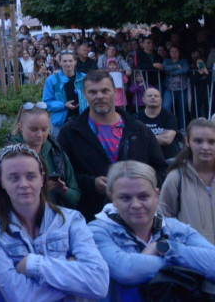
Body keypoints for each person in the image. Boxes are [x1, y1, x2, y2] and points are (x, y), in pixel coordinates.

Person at [0, 144, 109, 302]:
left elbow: (99, 283)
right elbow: (20, 296)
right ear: (1, 181)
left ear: (42, 178)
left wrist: (33, 264)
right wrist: (73, 275)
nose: (24, 184)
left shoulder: (71, 220)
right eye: (14, 177)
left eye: (31, 176)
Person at [89, 160, 215, 301]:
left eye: (144, 196)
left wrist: (165, 248)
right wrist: (188, 264)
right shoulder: (97, 232)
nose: (136, 205)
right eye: (125, 198)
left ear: (156, 195)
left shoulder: (175, 229)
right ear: (113, 198)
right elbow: (126, 271)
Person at [58, 70, 167, 220]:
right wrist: (91, 183)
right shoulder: (70, 132)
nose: (100, 96)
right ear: (84, 94)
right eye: (93, 92)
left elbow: (160, 169)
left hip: (137, 217)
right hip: (91, 218)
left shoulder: (139, 130)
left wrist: (137, 185)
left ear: (115, 92)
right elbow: (62, 175)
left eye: (105, 91)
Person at [9, 102, 80, 208]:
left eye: (44, 129)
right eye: (33, 129)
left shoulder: (57, 152)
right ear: (21, 127)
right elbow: (0, 199)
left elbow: (76, 196)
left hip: (56, 219)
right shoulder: (8, 156)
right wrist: (39, 190)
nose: (39, 135)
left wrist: (63, 191)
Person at [159, 118, 215, 244]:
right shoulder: (176, 177)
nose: (205, 147)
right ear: (188, 141)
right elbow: (164, 218)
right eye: (198, 141)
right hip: (193, 256)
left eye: (212, 142)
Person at [135, 87, 181, 162]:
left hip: (167, 159)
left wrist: (143, 136)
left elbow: (167, 140)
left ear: (161, 100)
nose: (153, 97)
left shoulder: (170, 117)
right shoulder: (136, 118)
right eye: (150, 96)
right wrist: (159, 137)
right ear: (143, 99)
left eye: (156, 96)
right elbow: (136, 140)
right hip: (145, 159)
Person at [42, 50, 80, 128]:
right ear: (60, 62)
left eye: (70, 61)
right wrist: (64, 105)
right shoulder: (51, 80)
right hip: (61, 123)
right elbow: (47, 103)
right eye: (65, 61)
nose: (68, 63)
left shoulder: (84, 78)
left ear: (75, 62)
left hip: (83, 122)